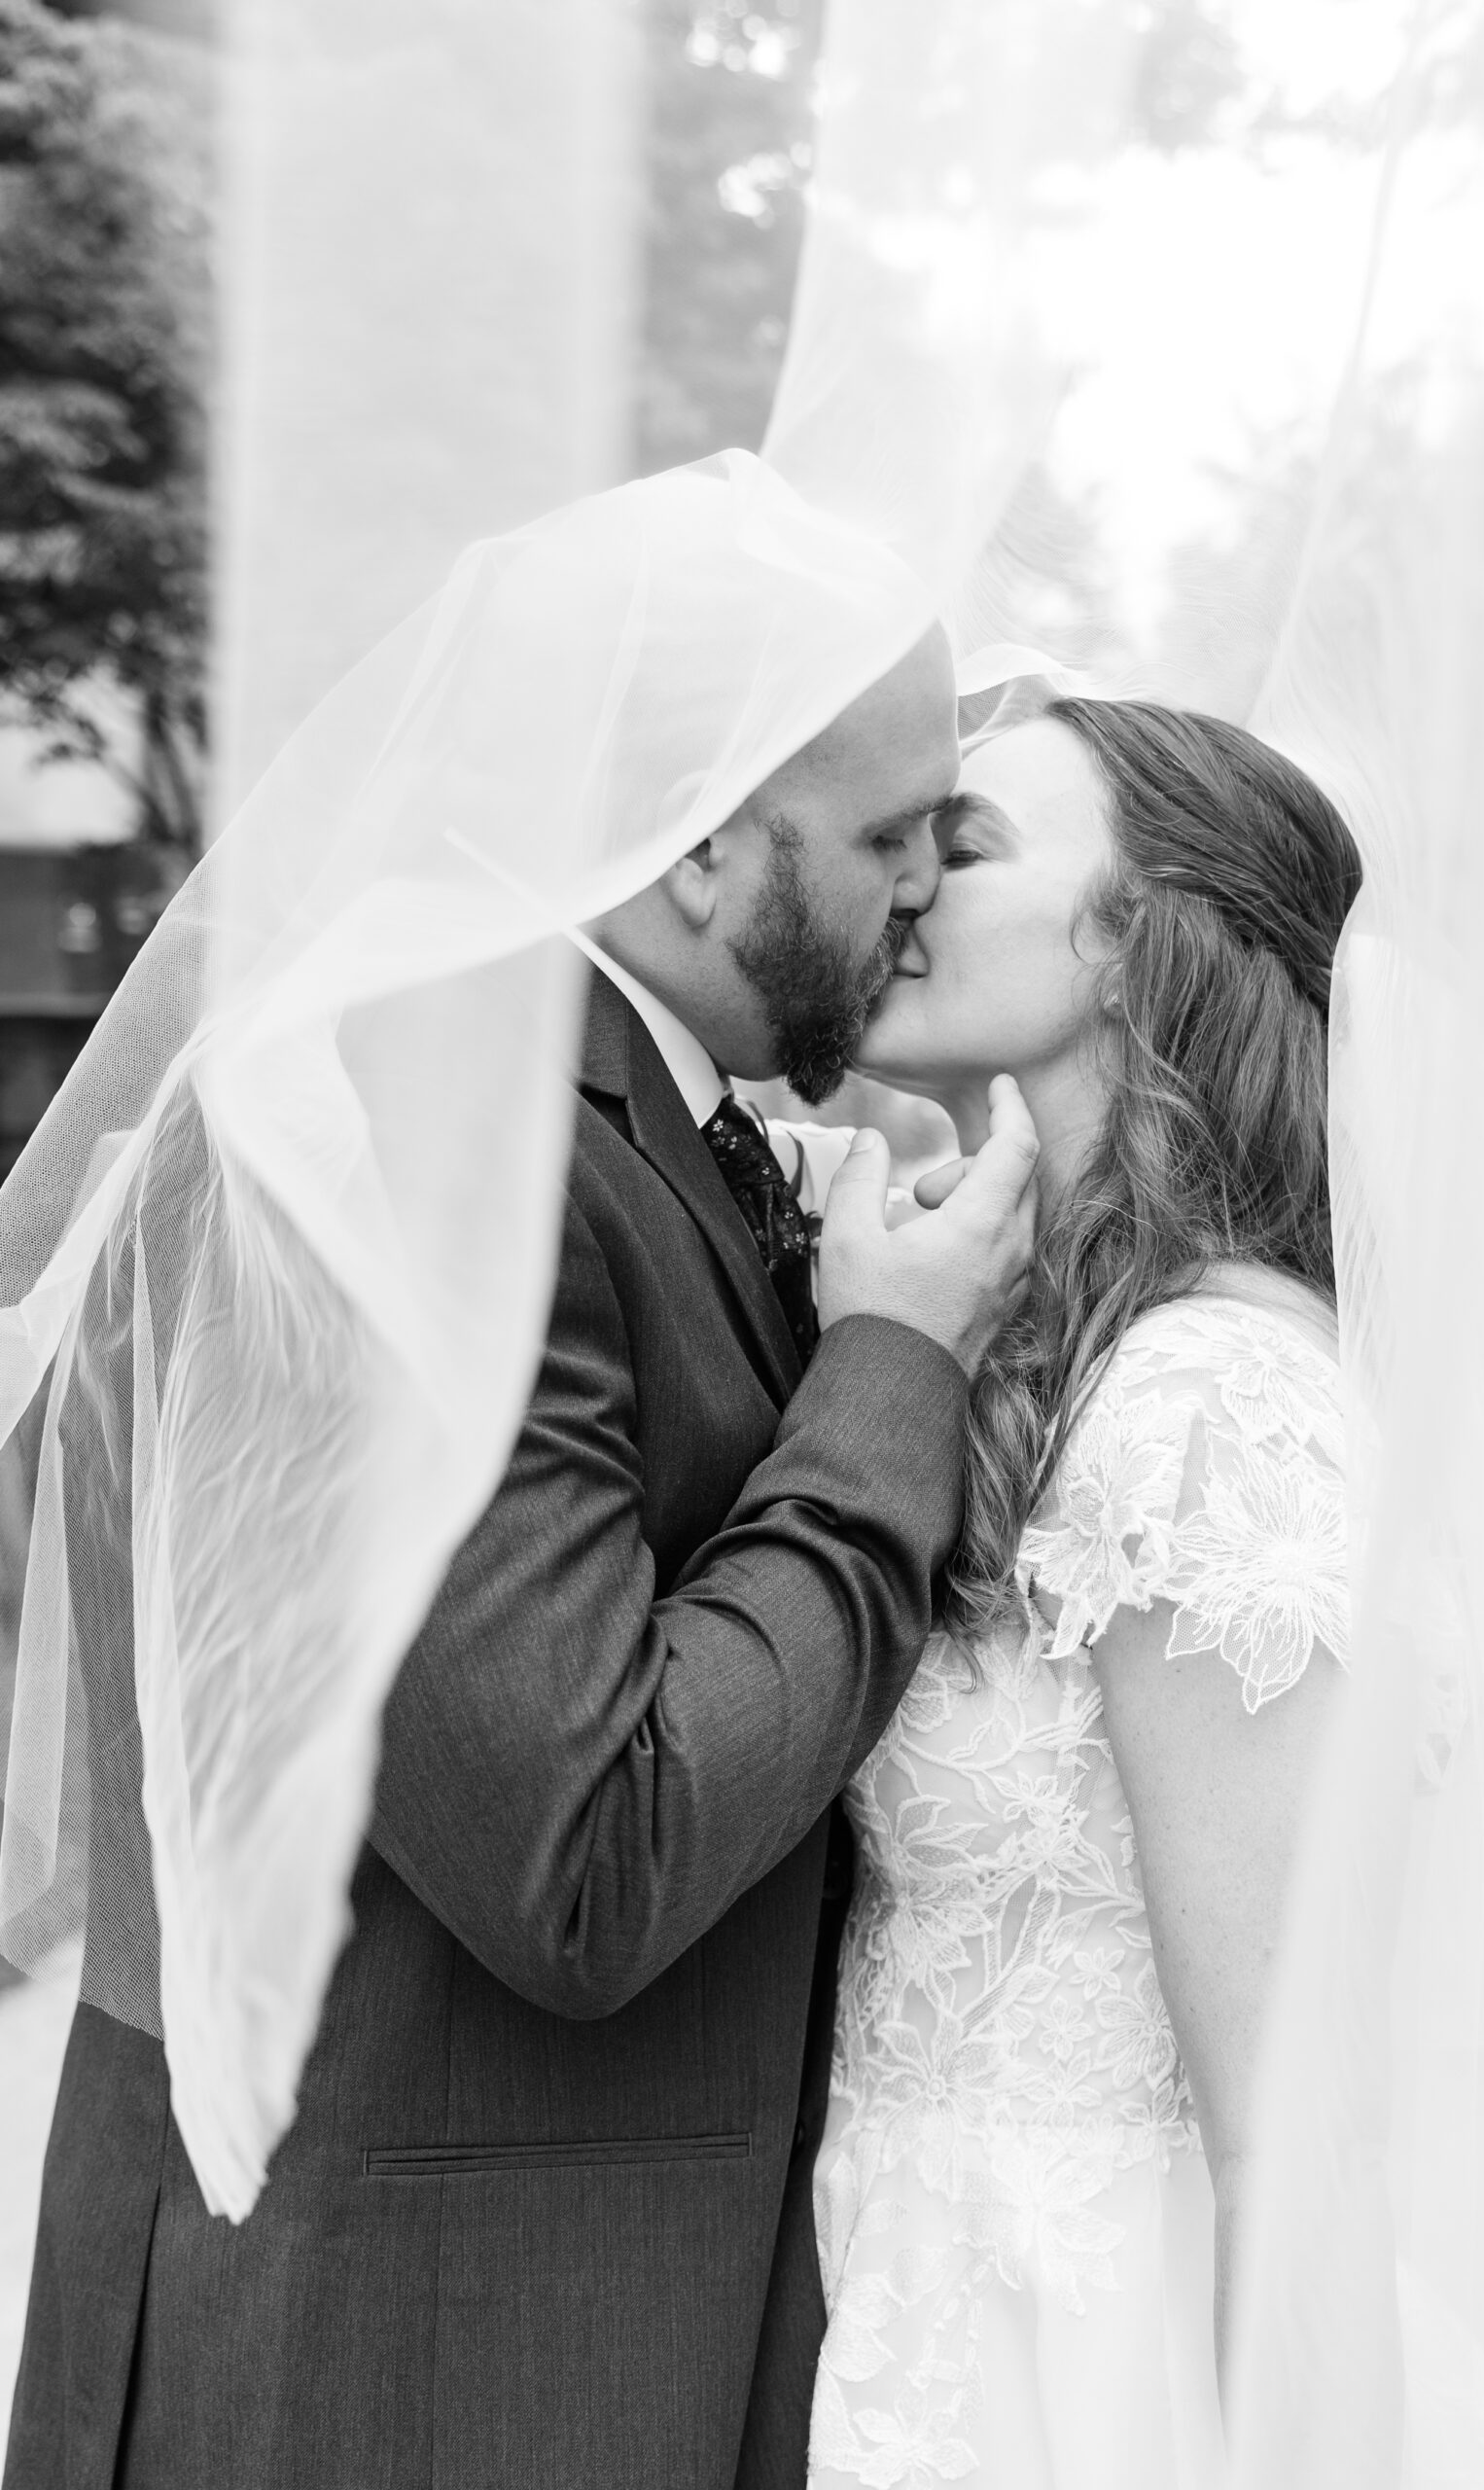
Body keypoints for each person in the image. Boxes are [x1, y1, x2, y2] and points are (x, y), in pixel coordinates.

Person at [4, 611, 1040, 2490]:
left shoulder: (584, 1105)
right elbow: (586, 1845)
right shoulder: (431, 1126)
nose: (919, 890)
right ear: (697, 842)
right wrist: (891, 1371)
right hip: (402, 2370)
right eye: (891, 833)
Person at [803, 694, 1363, 2486]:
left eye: (955, 849)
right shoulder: (1025, 1322)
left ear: (1132, 941)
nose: (895, 887)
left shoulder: (1205, 1407)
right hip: (911, 2328)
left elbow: (1285, 2121)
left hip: (1089, 2386)